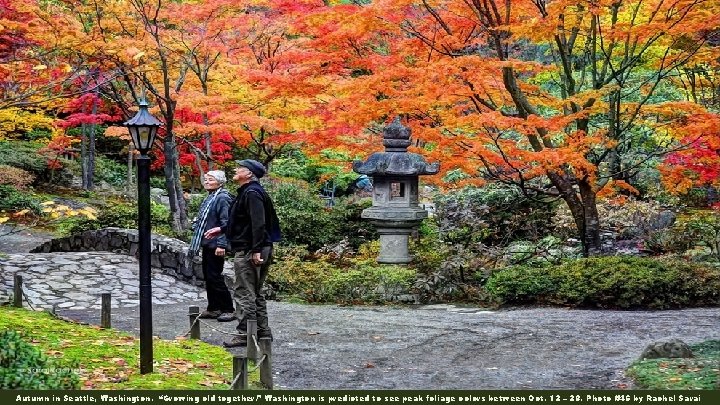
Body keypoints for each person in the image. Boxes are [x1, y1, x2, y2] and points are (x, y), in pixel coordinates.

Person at [219, 159, 281, 348]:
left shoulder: (252, 193)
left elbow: (258, 223)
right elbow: (245, 221)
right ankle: (262, 332)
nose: (235, 169)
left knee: (244, 291)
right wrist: (221, 229)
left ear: (249, 174)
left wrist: (255, 250)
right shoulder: (250, 192)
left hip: (250, 249)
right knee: (256, 292)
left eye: (240, 168)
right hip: (256, 246)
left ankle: (245, 333)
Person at [188, 170, 235, 322]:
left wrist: (222, 244)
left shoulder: (222, 198)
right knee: (209, 276)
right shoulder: (211, 197)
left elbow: (225, 223)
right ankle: (213, 307)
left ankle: (228, 308)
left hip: (216, 244)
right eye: (206, 179)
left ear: (220, 182)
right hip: (208, 243)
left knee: (215, 276)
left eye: (210, 179)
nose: (206, 182)